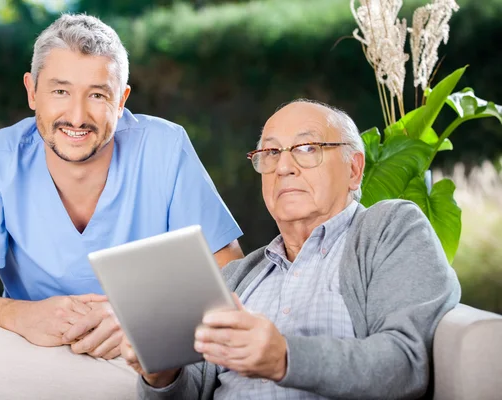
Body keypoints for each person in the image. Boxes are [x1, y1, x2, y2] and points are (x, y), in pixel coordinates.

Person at [0, 13, 244, 361]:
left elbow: (228, 274)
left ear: (122, 100)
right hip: (32, 348)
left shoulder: (165, 148)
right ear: (32, 91)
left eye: (97, 95)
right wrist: (20, 315)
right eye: (60, 91)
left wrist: (138, 318)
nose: (77, 117)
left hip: (147, 351)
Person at [124, 99, 461, 399]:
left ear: (354, 169)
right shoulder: (239, 276)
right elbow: (193, 389)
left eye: (307, 148)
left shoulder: (389, 228)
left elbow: (404, 365)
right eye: (270, 153)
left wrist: (284, 358)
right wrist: (161, 375)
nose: (283, 167)